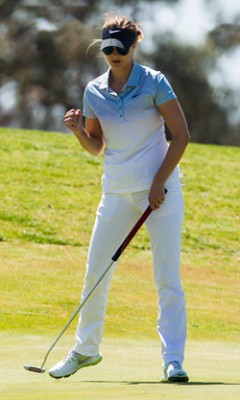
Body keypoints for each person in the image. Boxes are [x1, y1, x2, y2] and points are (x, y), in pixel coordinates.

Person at [49, 15, 190, 383]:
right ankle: (85, 350)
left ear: (133, 46)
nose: (113, 53)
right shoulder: (94, 90)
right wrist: (79, 130)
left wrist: (160, 181)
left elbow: (181, 136)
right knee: (96, 271)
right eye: (107, 48)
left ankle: (173, 360)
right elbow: (96, 147)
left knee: (167, 278)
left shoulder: (154, 82)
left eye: (119, 47)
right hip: (116, 191)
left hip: (161, 195)